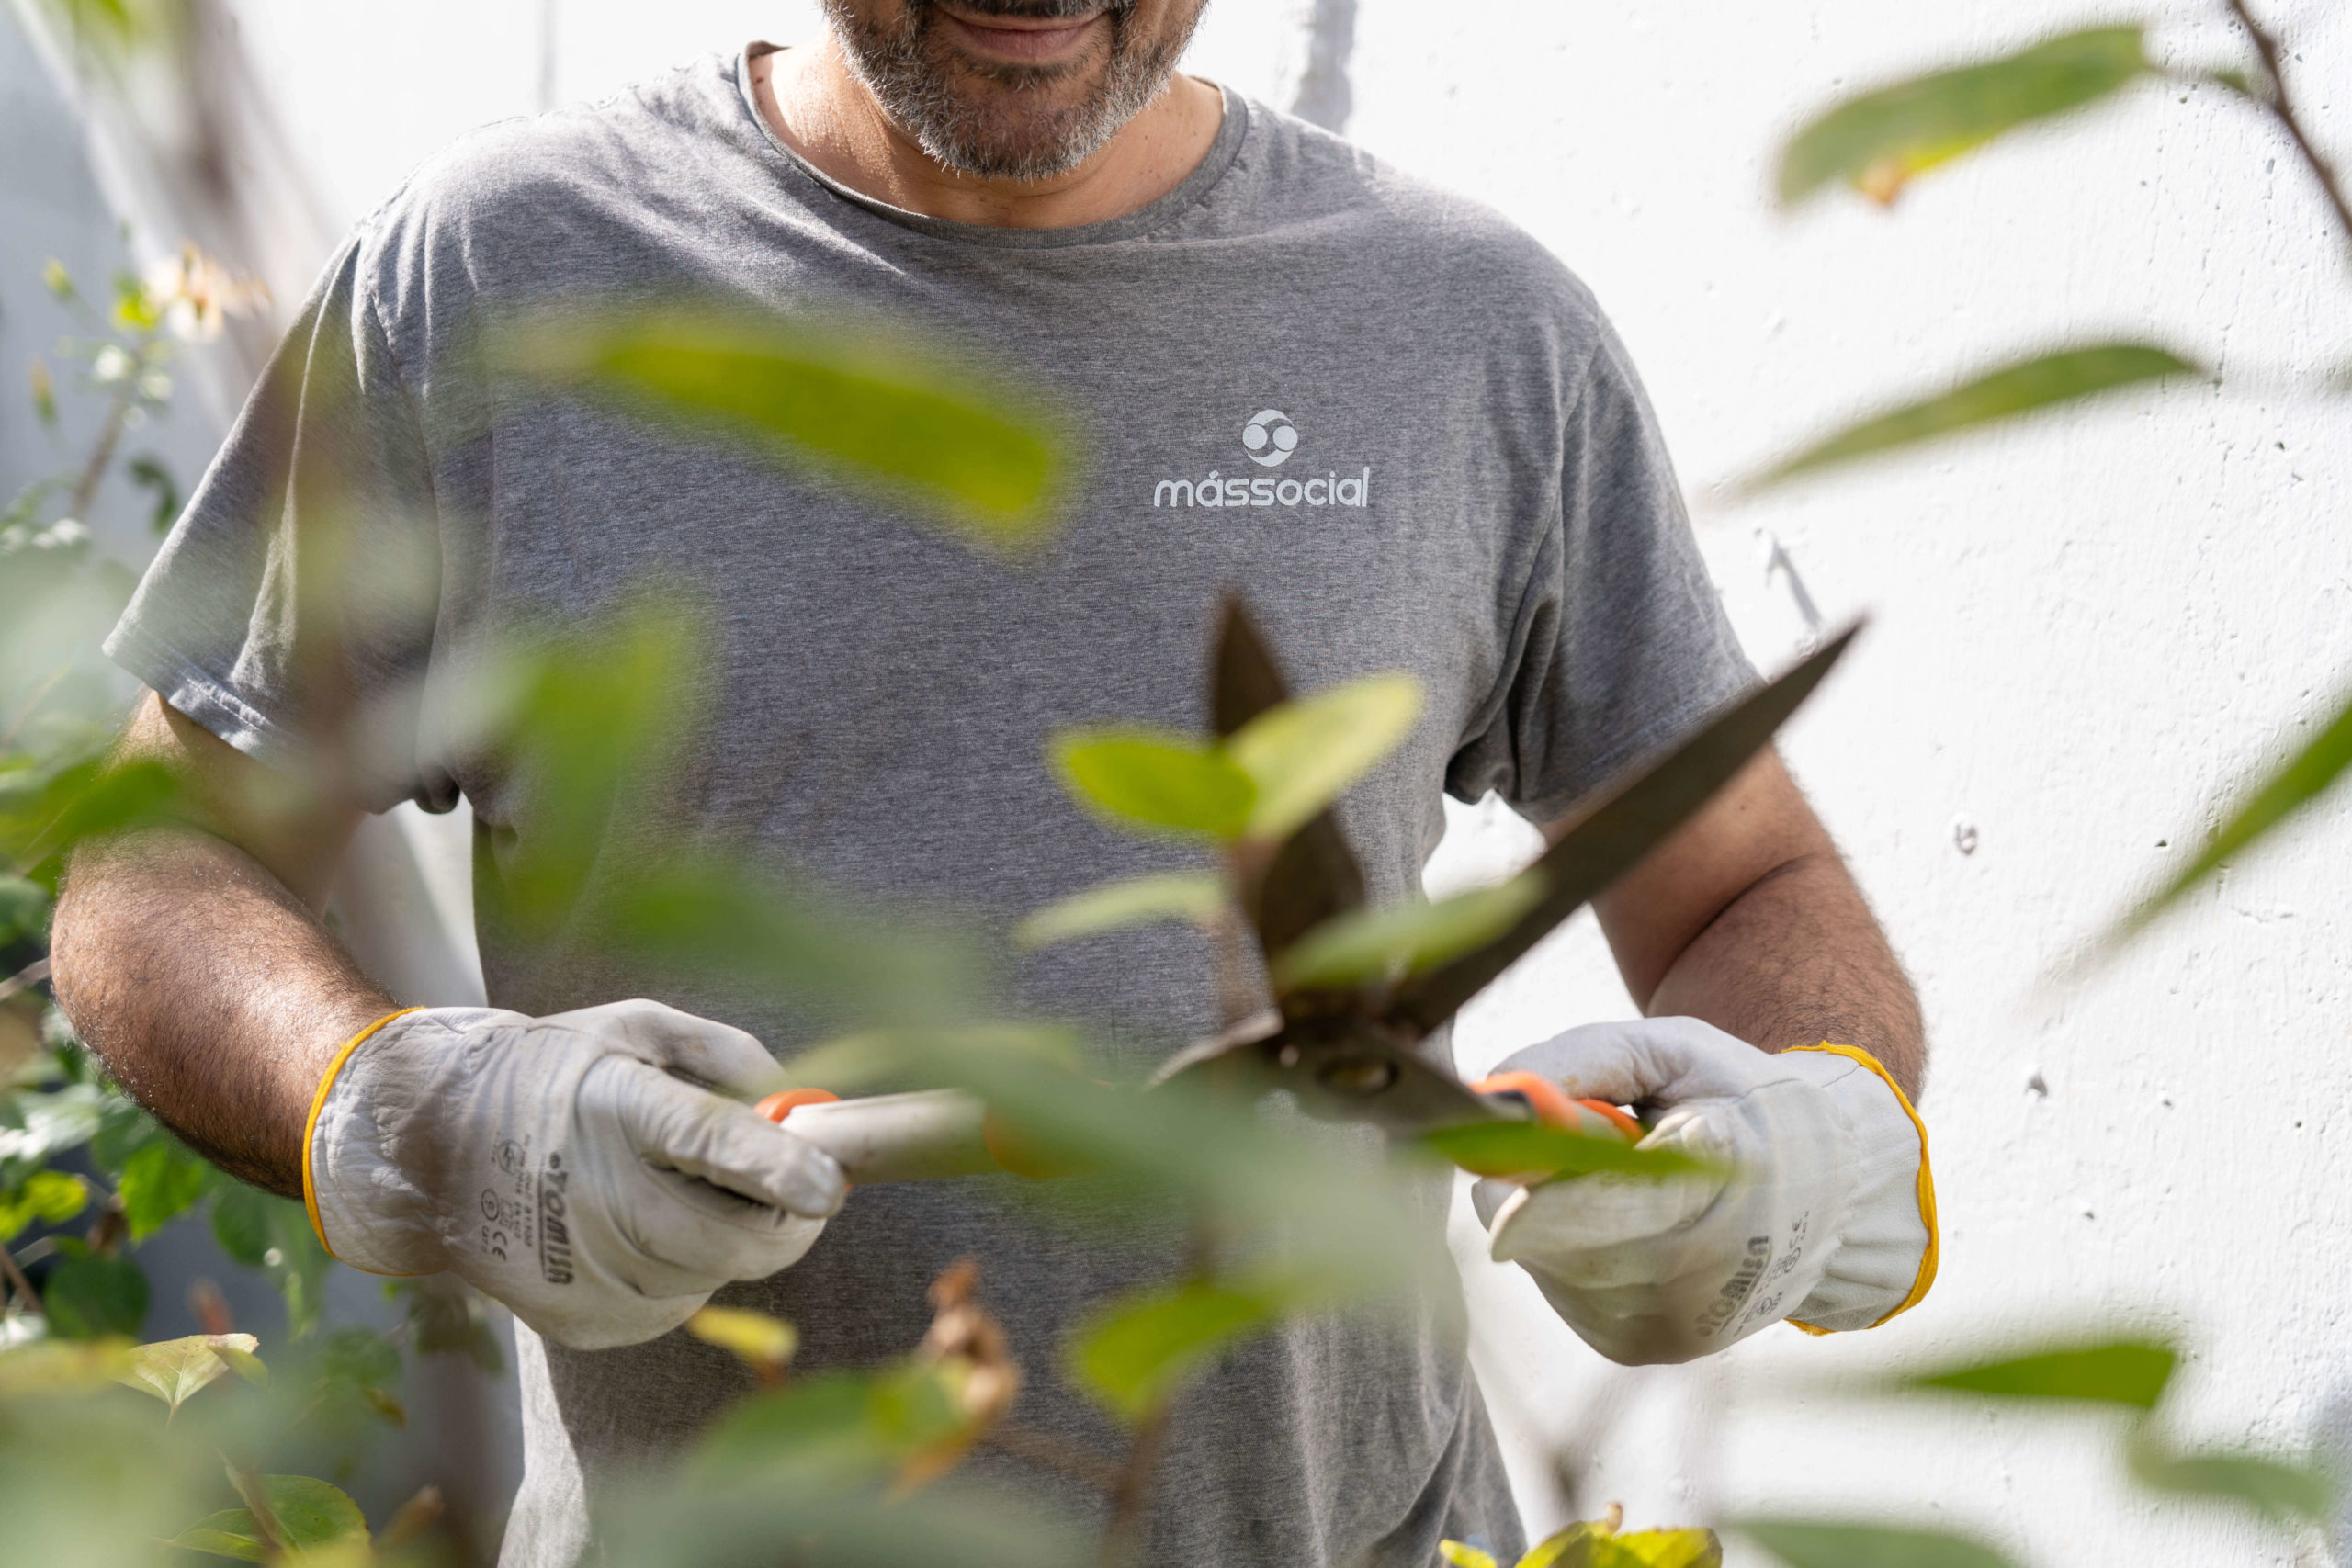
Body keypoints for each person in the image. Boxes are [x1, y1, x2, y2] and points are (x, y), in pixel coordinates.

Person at [50, 3, 1935, 1563]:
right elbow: (148, 870)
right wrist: (397, 1115)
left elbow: (1743, 889)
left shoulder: (1470, 334)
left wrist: (1803, 1127)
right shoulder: (497, 279)